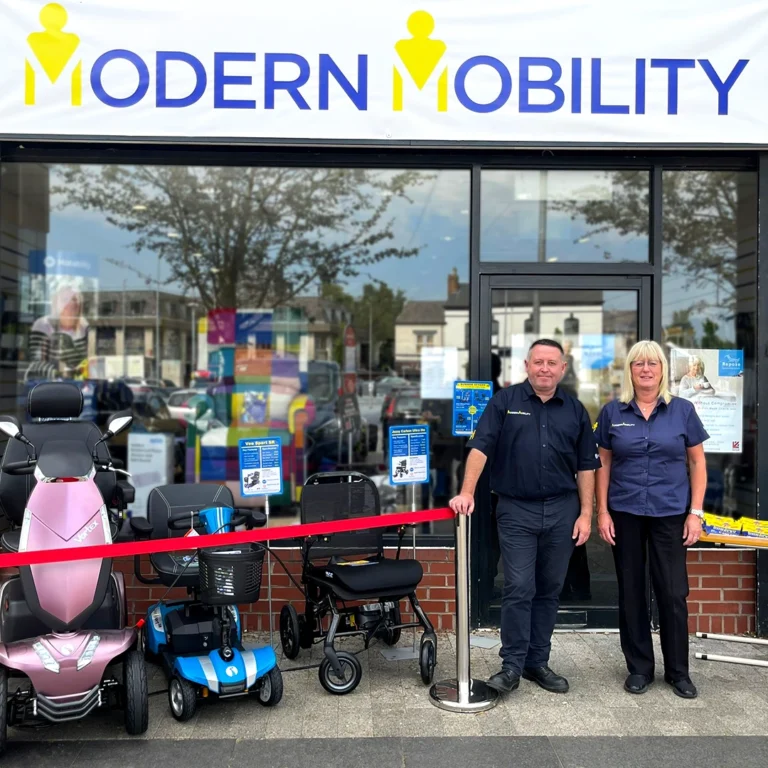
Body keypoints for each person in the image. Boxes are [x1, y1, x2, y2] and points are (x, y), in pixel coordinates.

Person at [450, 339, 599, 695]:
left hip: (563, 510)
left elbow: (587, 467)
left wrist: (587, 514)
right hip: (516, 509)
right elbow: (480, 446)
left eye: (552, 363)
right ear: (527, 366)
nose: (544, 368)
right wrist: (468, 491)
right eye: (538, 362)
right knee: (519, 587)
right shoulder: (505, 402)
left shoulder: (575, 410)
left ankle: (537, 663)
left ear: (563, 368)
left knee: (549, 589)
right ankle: (511, 665)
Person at [595, 340, 708, 699]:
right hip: (625, 511)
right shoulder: (613, 412)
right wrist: (602, 511)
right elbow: (603, 464)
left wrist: (696, 513)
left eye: (653, 363)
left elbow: (697, 463)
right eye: (638, 363)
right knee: (631, 592)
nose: (646, 369)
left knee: (673, 593)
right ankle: (640, 668)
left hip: (671, 513)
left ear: (662, 370)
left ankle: (678, 672)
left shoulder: (683, 411)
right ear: (630, 370)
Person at [26, 284, 89, 381]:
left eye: (74, 300)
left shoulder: (85, 328)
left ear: (80, 305)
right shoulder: (43, 324)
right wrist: (62, 374)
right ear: (56, 303)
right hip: (48, 386)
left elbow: (91, 362)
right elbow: (35, 363)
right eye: (65, 300)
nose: (70, 305)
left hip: (80, 386)